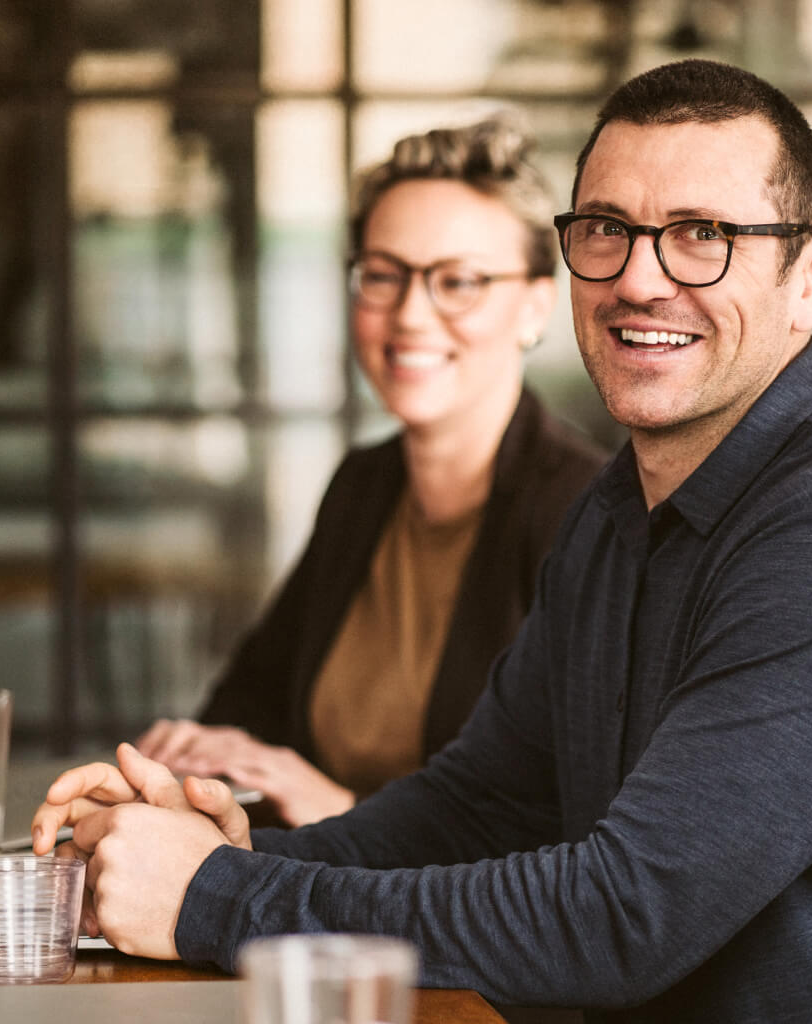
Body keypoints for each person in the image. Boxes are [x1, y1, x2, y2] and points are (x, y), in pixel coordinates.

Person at [32, 59, 812, 1022]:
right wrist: (218, 858)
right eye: (607, 230)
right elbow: (475, 808)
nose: (640, 278)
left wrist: (214, 898)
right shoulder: (618, 511)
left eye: (704, 236)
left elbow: (621, 918)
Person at [136, 116, 607, 826]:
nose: (411, 315)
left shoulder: (584, 515)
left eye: (459, 281)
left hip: (450, 931)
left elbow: (567, 830)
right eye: (383, 275)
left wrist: (345, 812)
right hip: (313, 917)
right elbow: (251, 704)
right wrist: (197, 758)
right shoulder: (365, 485)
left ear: (536, 303)